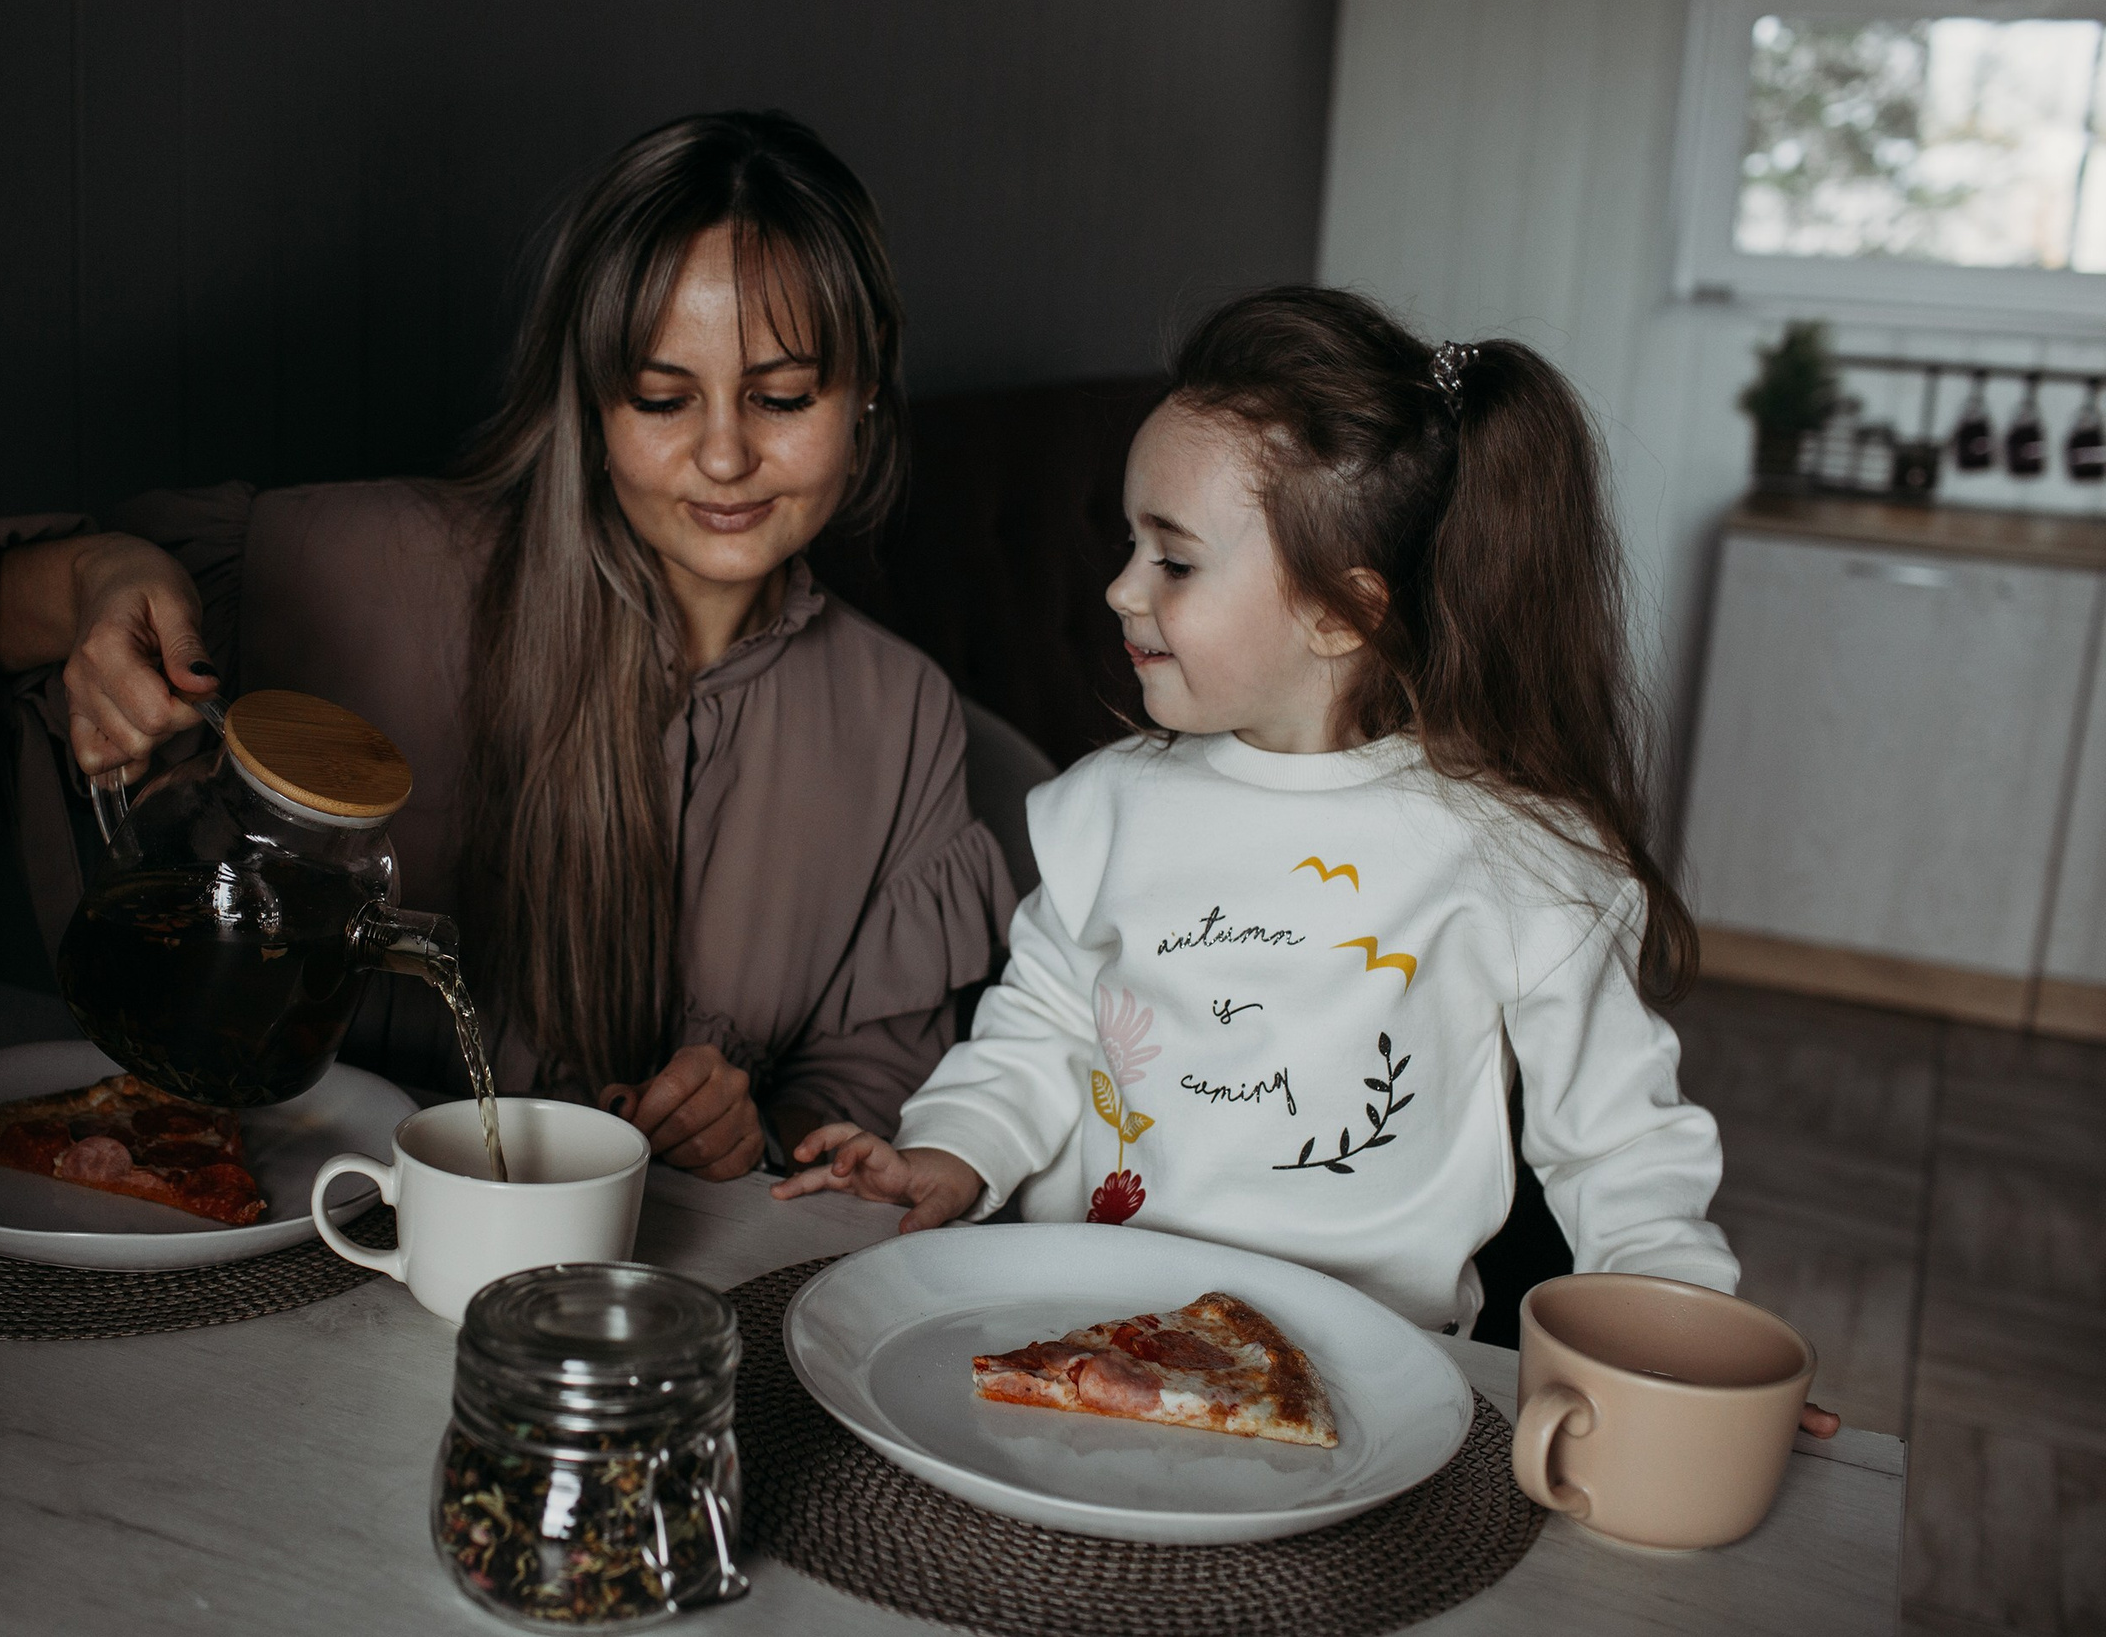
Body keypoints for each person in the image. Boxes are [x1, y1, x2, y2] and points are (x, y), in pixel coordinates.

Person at [0, 111, 1015, 1182]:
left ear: (864, 389)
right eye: (662, 400)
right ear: (591, 399)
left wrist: (747, 1126)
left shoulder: (899, 713)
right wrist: (95, 580)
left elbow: (870, 1095)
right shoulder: (375, 566)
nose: (722, 458)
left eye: (780, 397)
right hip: (268, 1208)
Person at [772, 285, 1842, 1432]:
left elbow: (1622, 1148)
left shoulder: (1520, 863)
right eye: (1128, 545)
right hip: (1082, 1338)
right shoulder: (1107, 809)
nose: (1120, 588)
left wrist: (1681, 1353)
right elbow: (1038, 1029)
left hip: (1364, 1380)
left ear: (1342, 612)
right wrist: (950, 1152)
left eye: (1173, 561)